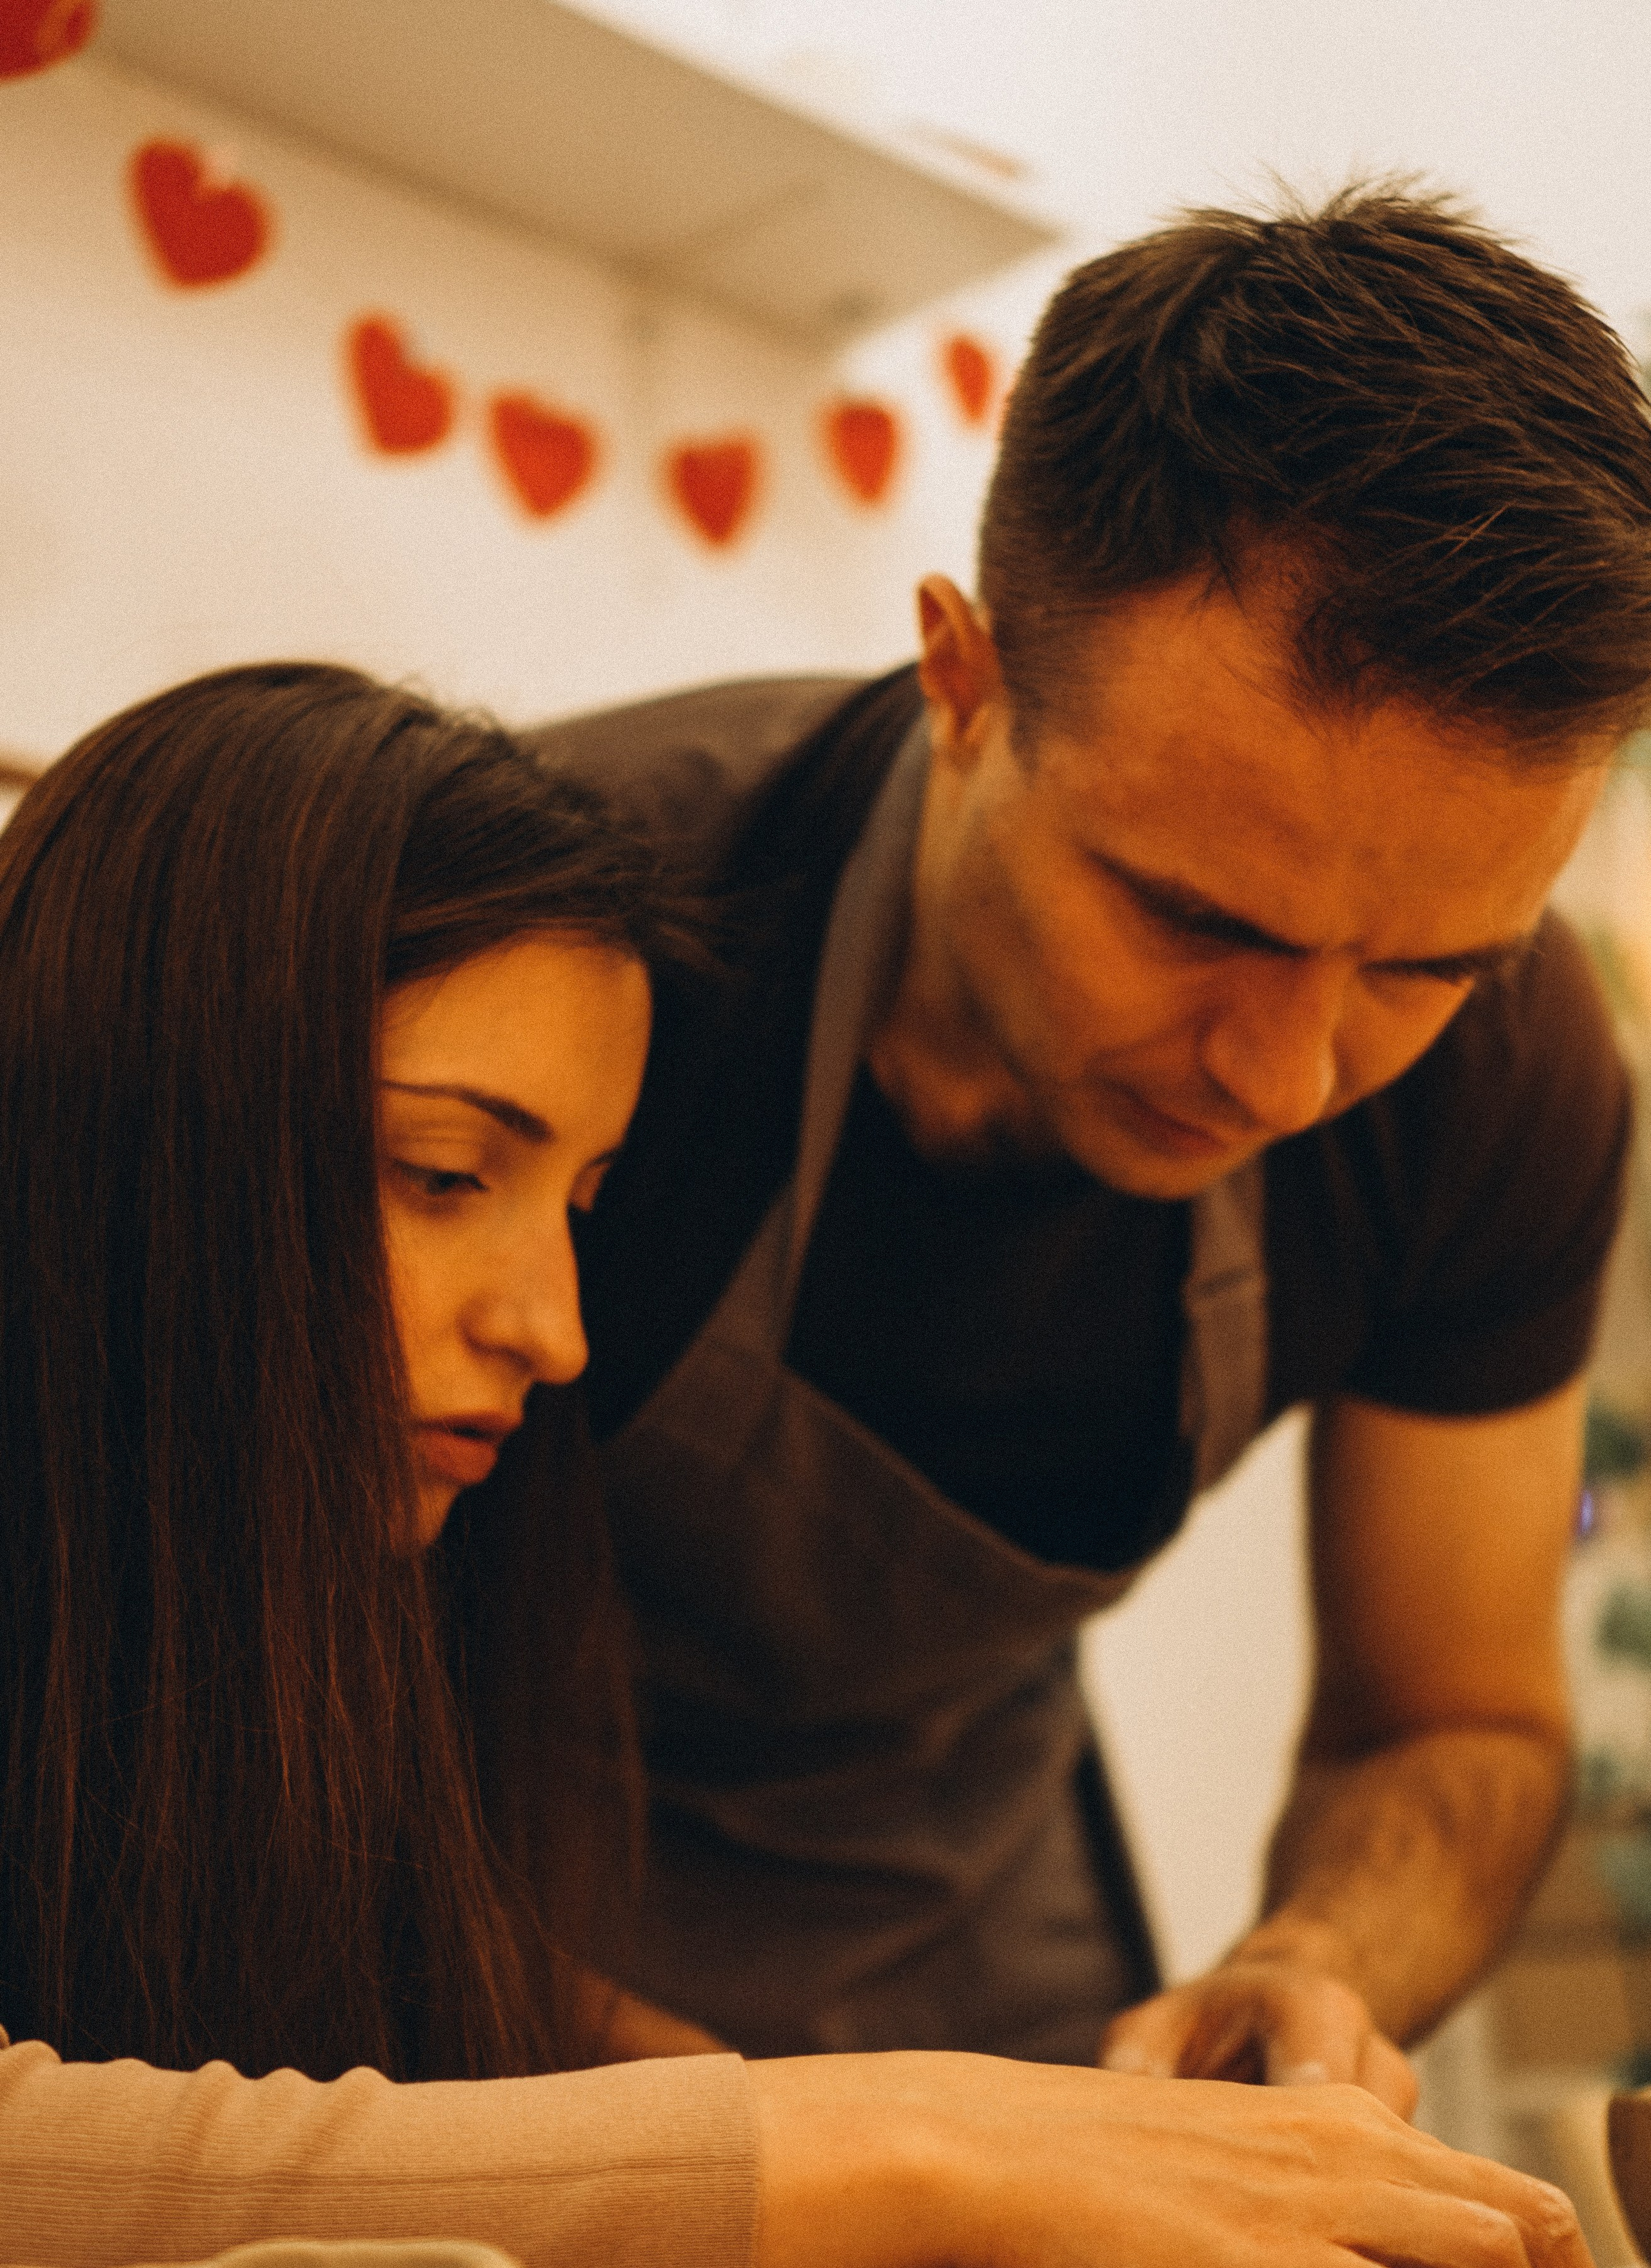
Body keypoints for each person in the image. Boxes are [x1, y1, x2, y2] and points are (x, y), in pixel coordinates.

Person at [0, 664, 1597, 2268]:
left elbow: (299, 1998)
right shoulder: (669, 857)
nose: (560, 1333)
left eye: (589, 1205)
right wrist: (898, 2148)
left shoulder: (267, 1719)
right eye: (448, 1172)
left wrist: (677, 2103)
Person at [538, 182, 1647, 2107]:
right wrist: (734, 2169)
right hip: (442, 1961)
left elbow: (1453, 1717)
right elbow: (178, 1700)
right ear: (962, 682)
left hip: (976, 1962)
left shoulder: (1510, 1076)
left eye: (1427, 965)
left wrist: (1325, 1962)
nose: (1292, 1074)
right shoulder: (560, 933)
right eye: (1198, 919)